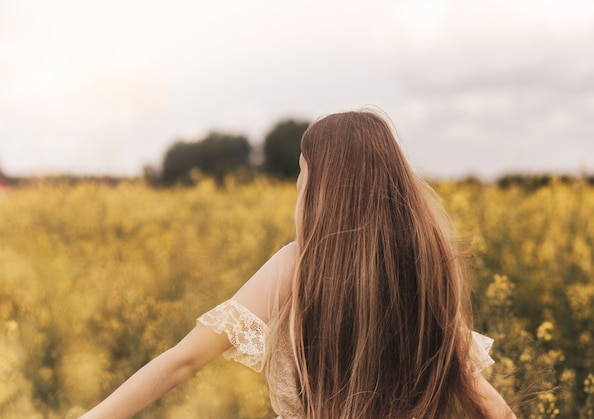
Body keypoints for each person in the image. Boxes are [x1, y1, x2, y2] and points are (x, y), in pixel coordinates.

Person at [81, 110, 516, 418]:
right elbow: (487, 402)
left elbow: (183, 361)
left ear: (323, 187)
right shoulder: (427, 268)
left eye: (302, 173)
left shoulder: (297, 267)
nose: (297, 184)